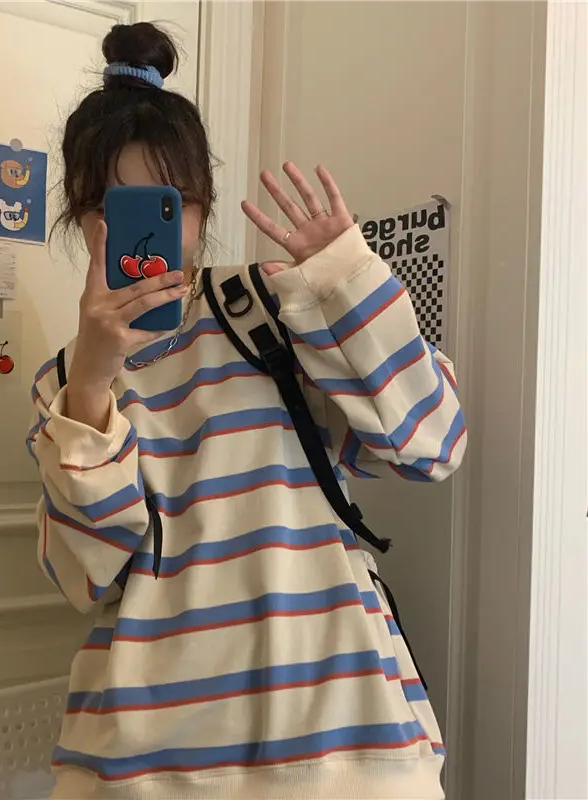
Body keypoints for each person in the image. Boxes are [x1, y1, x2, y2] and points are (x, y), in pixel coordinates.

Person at [27, 21, 466, 800]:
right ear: (78, 216)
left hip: (337, 746)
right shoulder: (64, 383)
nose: (139, 231)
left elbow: (433, 443)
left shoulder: (272, 306)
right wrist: (93, 383)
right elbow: (87, 575)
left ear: (200, 208)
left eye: (167, 203)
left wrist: (345, 275)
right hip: (146, 764)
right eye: (108, 204)